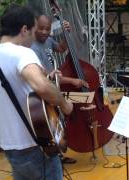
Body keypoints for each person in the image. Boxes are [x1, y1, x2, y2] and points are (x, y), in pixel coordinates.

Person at [0, 5, 76, 180]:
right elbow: (43, 87)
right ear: (24, 30)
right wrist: (65, 105)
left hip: (9, 146)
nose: (33, 38)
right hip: (35, 144)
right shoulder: (23, 53)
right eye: (32, 31)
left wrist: (47, 75)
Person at [31, 14, 88, 164]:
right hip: (47, 89)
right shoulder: (33, 49)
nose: (44, 32)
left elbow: (62, 48)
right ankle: (54, 155)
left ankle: (58, 154)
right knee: (52, 123)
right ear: (34, 27)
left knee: (82, 100)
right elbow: (46, 75)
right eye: (41, 28)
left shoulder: (48, 41)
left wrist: (66, 33)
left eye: (47, 29)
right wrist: (73, 80)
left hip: (55, 87)